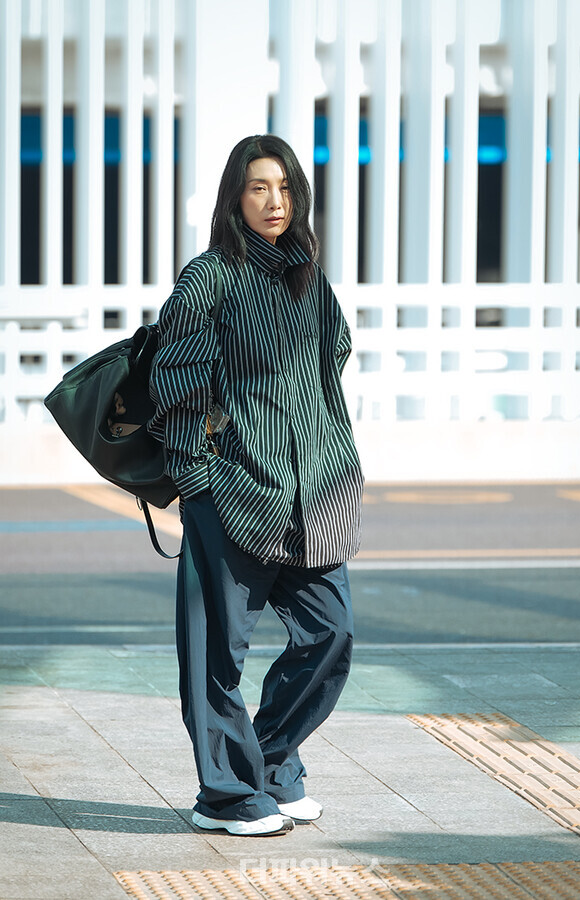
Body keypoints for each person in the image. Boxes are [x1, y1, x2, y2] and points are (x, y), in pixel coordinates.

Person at [148, 134, 364, 836]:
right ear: (233, 198)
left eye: (285, 187)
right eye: (257, 187)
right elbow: (174, 384)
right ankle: (227, 795)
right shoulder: (208, 278)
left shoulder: (310, 278)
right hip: (233, 495)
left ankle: (266, 763)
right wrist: (197, 482)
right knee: (218, 659)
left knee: (331, 634)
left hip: (314, 498)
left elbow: (333, 359)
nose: (275, 201)